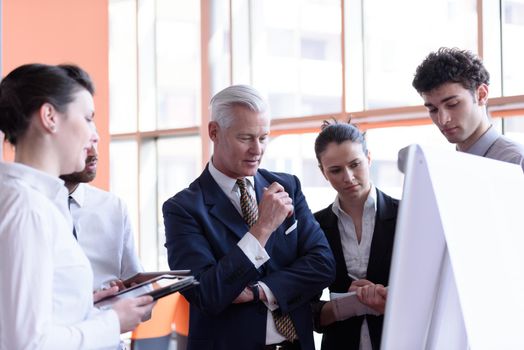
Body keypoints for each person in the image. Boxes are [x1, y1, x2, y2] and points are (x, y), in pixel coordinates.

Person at [163, 84, 336, 350]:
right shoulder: (183, 209)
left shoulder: (287, 186)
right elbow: (207, 294)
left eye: (263, 137)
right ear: (214, 132)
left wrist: (260, 291)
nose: (257, 150)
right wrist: (263, 228)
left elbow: (323, 265)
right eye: (245, 138)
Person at [0, 63, 154, 349]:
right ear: (49, 117)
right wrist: (113, 322)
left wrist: (81, 306)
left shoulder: (34, 201)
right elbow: (27, 343)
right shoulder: (28, 207)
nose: (95, 135)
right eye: (87, 118)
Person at [312, 120, 398, 350]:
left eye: (355, 164)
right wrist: (348, 305)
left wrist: (387, 299)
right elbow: (304, 308)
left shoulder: (407, 215)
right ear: (323, 172)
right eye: (336, 170)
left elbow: (428, 294)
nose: (348, 177)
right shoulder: (314, 225)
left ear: (369, 158)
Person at [412, 47, 524, 171]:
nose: (443, 120)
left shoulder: (516, 162)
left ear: (481, 94)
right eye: (433, 109)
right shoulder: (443, 169)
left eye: (453, 104)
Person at [60, 129, 143, 291]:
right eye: (83, 143)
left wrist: (116, 301)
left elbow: (141, 293)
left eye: (95, 141)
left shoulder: (114, 208)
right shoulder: (24, 208)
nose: (94, 153)